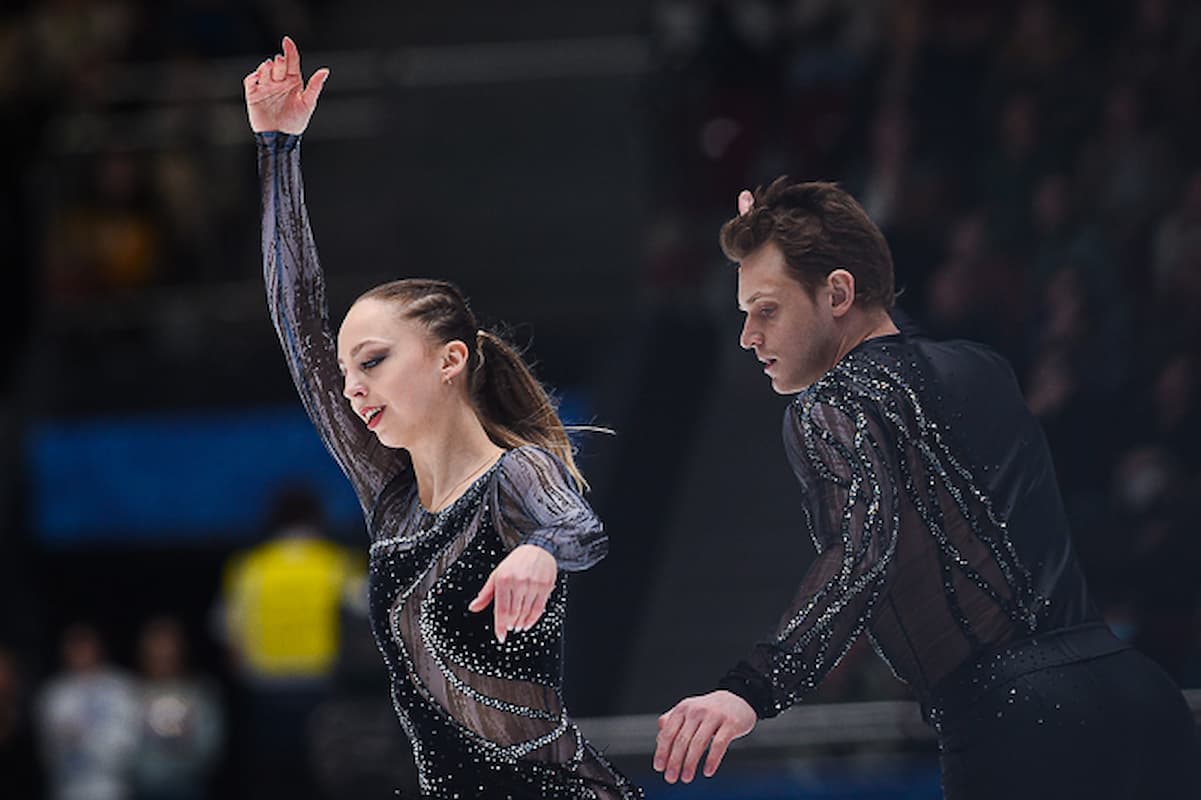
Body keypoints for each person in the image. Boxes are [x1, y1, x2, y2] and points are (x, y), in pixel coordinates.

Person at [653, 179, 1201, 797]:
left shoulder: (832, 404)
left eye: (767, 308)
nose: (747, 336)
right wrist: (788, 230)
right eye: (746, 311)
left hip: (1023, 724)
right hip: (1139, 697)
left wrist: (750, 688)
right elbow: (901, 362)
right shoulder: (982, 366)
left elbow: (864, 554)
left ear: (837, 292)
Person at [244, 37, 641, 800]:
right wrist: (276, 149)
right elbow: (298, 329)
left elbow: (580, 528)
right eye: (348, 367)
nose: (351, 387)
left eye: (373, 360)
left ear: (450, 360)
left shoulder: (516, 473)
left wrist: (542, 552)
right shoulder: (389, 498)